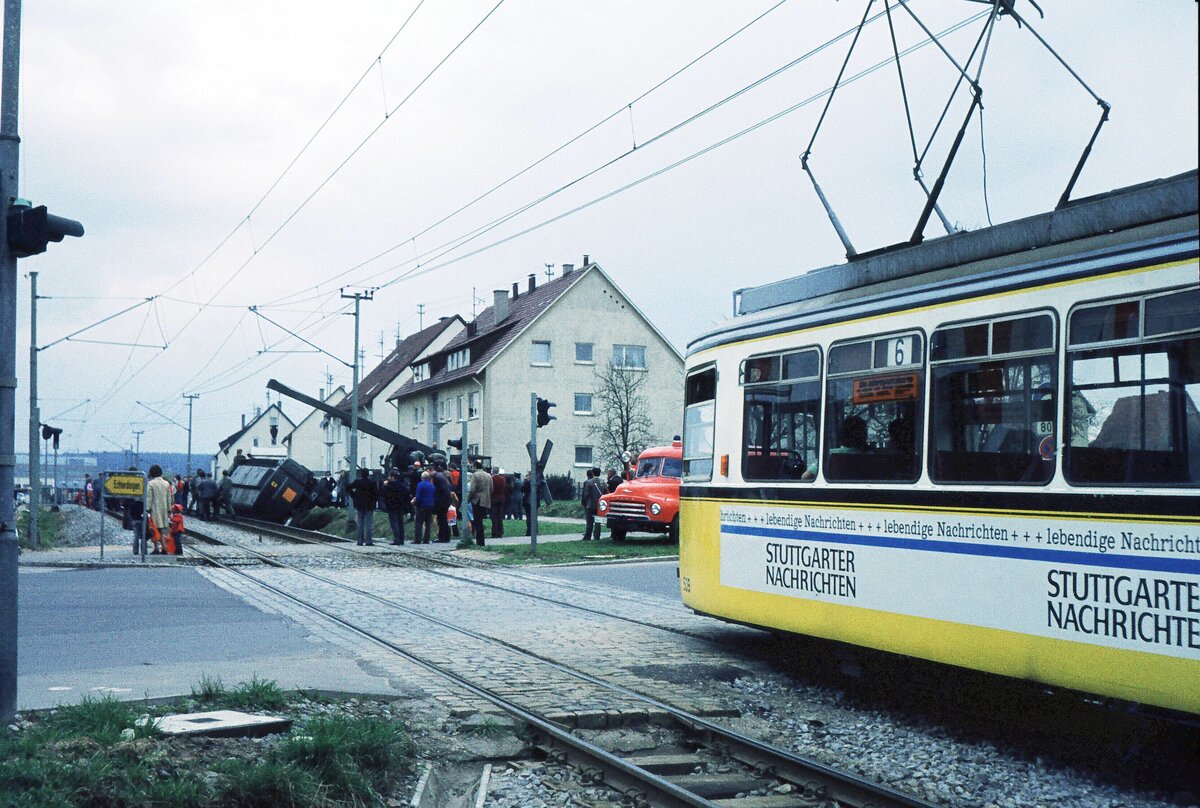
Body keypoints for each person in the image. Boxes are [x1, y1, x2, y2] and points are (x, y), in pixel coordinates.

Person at [146, 465, 172, 556]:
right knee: (161, 530)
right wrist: (169, 510)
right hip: (164, 510)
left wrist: (147, 509)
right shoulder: (166, 484)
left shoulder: (151, 484)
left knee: (153, 529)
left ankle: (157, 548)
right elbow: (169, 498)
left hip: (154, 509)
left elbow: (149, 498)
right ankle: (164, 548)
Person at [347, 468, 378, 546]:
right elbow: (376, 494)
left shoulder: (358, 482)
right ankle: (368, 541)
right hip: (369, 505)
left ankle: (360, 541)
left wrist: (354, 496)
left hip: (359, 504)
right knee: (368, 524)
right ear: (368, 474)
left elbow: (348, 487)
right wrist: (374, 501)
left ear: (361, 474)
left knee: (360, 523)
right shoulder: (372, 483)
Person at [380, 469, 411, 545]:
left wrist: (384, 485)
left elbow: (383, 494)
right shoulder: (401, 485)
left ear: (393, 477)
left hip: (391, 507)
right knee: (400, 523)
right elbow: (407, 493)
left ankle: (396, 539)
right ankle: (401, 539)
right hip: (400, 506)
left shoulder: (389, 486)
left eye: (389, 476)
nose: (388, 477)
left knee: (394, 523)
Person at [467, 461, 492, 546]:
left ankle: (479, 542)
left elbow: (472, 489)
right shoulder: (488, 475)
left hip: (477, 500)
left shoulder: (475, 475)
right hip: (486, 500)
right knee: (480, 520)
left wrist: (468, 499)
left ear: (474, 466)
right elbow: (491, 488)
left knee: (477, 521)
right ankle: (482, 541)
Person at [411, 471, 436, 544]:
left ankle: (417, 539)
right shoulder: (432, 485)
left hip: (422, 505)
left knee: (419, 523)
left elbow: (418, 497)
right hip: (430, 505)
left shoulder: (420, 485)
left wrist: (415, 503)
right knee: (428, 523)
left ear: (422, 478)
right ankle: (426, 539)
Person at [581, 468, 604, 541]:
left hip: (590, 504)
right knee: (598, 522)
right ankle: (597, 536)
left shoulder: (589, 482)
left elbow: (586, 494)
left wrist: (584, 502)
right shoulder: (603, 482)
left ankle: (587, 536)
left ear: (593, 473)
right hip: (600, 505)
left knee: (589, 522)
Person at [432, 462, 453, 543]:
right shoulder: (443, 476)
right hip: (446, 500)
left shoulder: (437, 477)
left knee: (441, 519)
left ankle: (442, 537)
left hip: (441, 502)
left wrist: (435, 502)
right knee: (444, 519)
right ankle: (446, 536)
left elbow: (438, 492)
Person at [489, 467, 507, 538]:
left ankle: (495, 532)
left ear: (493, 471)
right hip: (501, 498)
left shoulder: (492, 479)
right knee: (500, 516)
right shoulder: (502, 479)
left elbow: (490, 489)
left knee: (494, 516)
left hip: (494, 498)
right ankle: (500, 531)